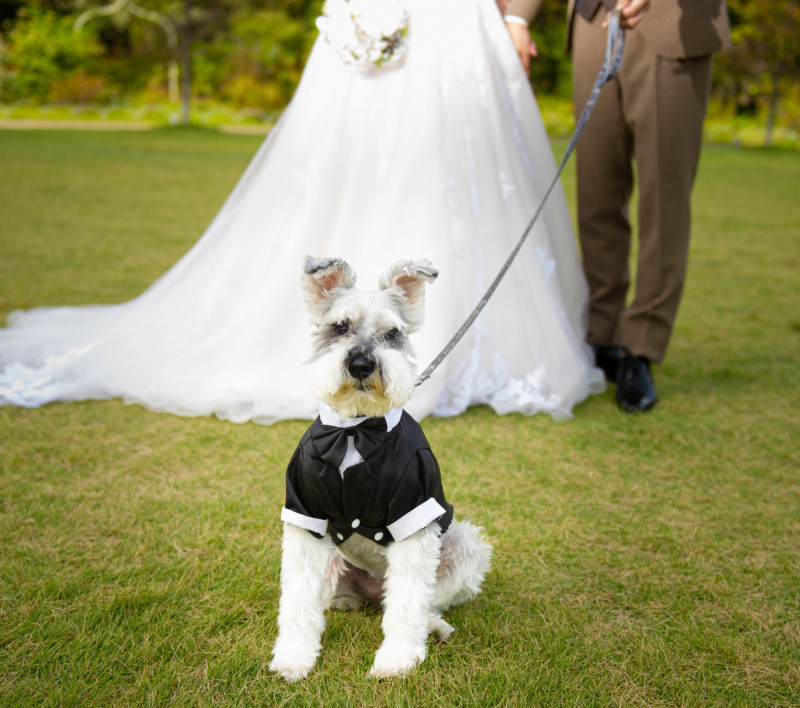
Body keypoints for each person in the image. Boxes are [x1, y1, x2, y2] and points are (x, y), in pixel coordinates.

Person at [0, 0, 604, 424]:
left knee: (472, 184)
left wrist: (518, 17)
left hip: (465, 34)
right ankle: (358, 344)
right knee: (349, 166)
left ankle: (468, 349)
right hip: (371, 27)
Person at [504, 0, 730, 411]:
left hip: (673, 24)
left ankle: (642, 346)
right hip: (594, 22)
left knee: (664, 203)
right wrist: (518, 16)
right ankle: (602, 335)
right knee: (596, 195)